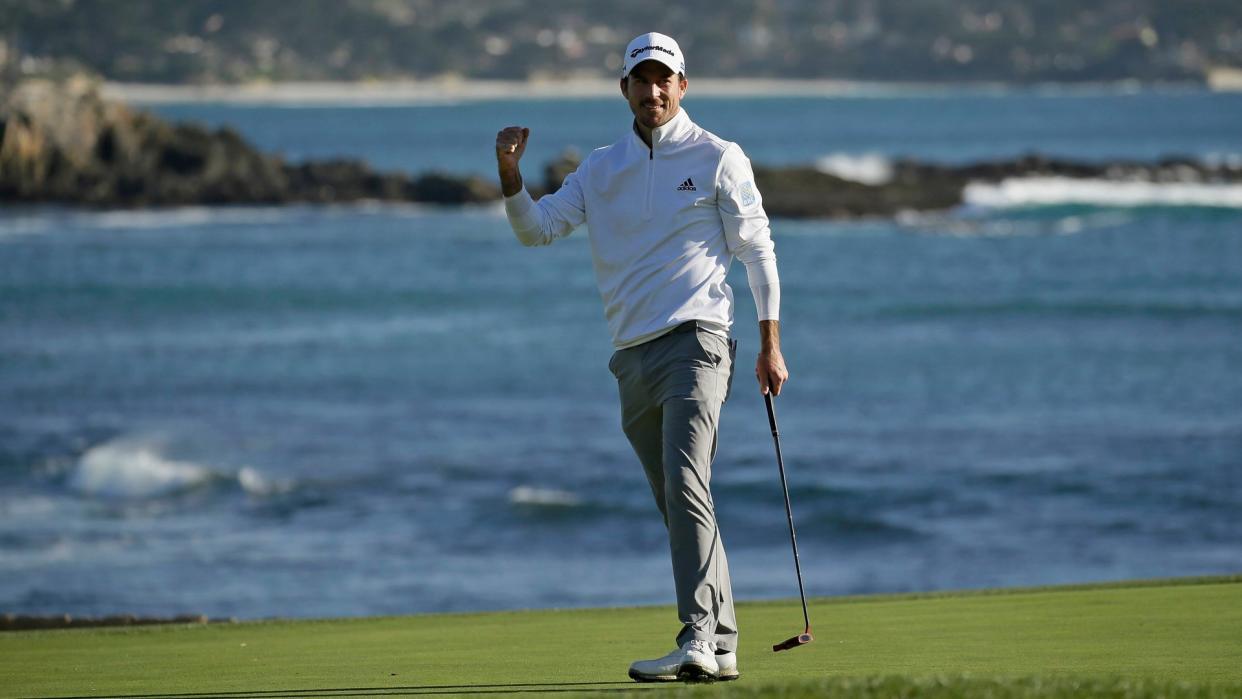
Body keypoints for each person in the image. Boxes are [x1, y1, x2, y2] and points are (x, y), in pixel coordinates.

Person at [494, 31, 787, 683]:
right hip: (631, 356)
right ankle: (725, 640)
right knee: (682, 499)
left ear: (683, 86)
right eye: (641, 80)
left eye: (665, 79)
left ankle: (697, 637)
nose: (653, 90)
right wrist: (511, 176)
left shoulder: (717, 156)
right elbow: (537, 230)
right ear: (624, 89)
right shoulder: (600, 169)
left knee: (687, 486)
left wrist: (770, 342)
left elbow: (757, 249)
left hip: (699, 343)